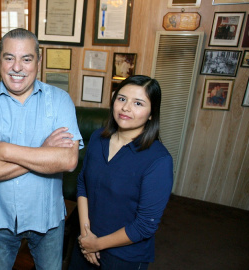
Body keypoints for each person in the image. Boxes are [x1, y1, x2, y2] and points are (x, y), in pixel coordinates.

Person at [0, 28, 83, 270]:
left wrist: (3, 150)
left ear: (39, 60)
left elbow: (68, 161)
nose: (17, 67)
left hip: (47, 215)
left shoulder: (60, 100)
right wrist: (44, 152)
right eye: (9, 58)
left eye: (26, 58)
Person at [68, 75, 173, 270]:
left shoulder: (159, 160)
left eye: (138, 103)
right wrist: (85, 235)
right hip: (85, 241)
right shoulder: (98, 137)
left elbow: (145, 225)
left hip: (124, 255)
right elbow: (83, 184)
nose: (126, 108)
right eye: (121, 98)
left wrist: (96, 245)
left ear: (152, 114)